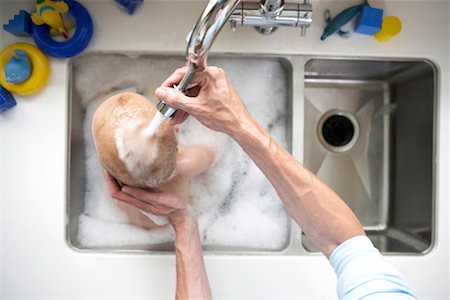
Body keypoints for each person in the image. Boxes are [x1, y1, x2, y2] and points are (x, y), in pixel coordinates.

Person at [105, 67, 418, 299]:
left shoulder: (151, 182)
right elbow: (348, 246)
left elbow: (348, 247)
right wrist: (236, 126)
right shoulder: (185, 163)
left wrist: (181, 221)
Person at [92, 92, 214, 229]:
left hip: (129, 221)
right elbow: (211, 152)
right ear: (176, 128)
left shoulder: (118, 175)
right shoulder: (185, 165)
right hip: (168, 223)